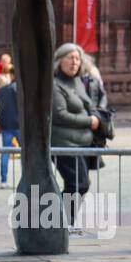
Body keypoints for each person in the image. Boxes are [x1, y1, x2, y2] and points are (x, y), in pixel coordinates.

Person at [51, 42, 100, 233]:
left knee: (80, 184)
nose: (74, 62)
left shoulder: (78, 82)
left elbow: (88, 104)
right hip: (64, 143)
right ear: (59, 61)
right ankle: (61, 222)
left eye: (77, 58)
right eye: (70, 57)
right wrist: (89, 121)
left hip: (81, 143)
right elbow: (59, 114)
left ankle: (63, 222)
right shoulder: (55, 85)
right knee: (77, 183)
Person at [0, 68, 19, 187]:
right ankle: (29, 177)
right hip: (20, 125)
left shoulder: (2, 91)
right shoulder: (21, 89)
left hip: (6, 125)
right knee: (27, 153)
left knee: (6, 152)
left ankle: (3, 180)